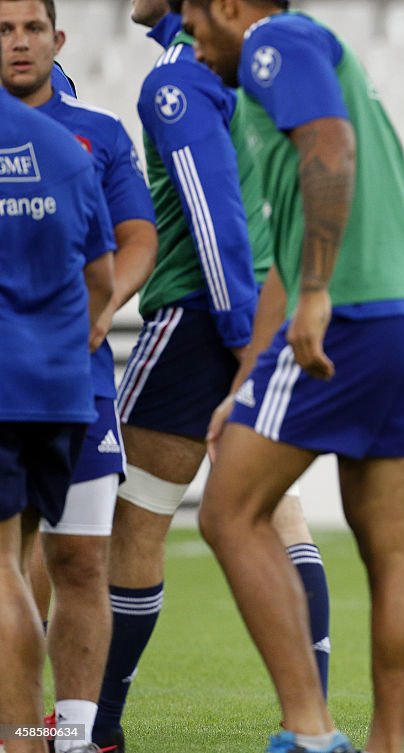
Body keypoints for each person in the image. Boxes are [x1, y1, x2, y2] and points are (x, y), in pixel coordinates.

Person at [178, 0, 404, 751]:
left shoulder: (276, 40)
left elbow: (331, 146)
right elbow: (279, 267)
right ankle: (385, 745)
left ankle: (309, 730)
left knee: (228, 512)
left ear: (231, 9)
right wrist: (245, 382)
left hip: (350, 312)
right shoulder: (289, 88)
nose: (195, 47)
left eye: (197, 26)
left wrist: (321, 290)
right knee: (392, 542)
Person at [93, 1, 332, 749]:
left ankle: (94, 727)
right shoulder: (259, 70)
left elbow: (214, 216)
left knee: (132, 524)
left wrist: (237, 343)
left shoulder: (180, 77)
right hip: (273, 301)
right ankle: (313, 724)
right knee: (280, 510)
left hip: (203, 319)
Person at [0, 1, 158, 750]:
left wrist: (105, 309)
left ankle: (72, 734)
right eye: (3, 30)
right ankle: (22, 725)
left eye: (30, 28)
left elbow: (136, 240)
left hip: (81, 383)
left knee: (79, 557)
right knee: (14, 560)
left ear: (57, 39)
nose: (19, 43)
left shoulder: (97, 136)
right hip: (26, 379)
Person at [0, 83, 115, 753]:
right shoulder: (66, 149)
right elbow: (101, 277)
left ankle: (20, 739)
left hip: (3, 385)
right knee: (17, 563)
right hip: (60, 391)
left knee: (4, 573)